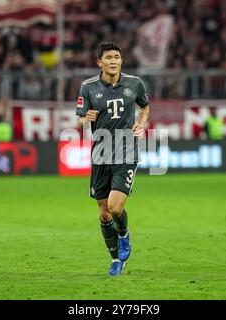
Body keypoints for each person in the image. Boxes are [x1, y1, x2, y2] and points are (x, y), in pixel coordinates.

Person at [75, 42, 150, 276]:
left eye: (117, 56)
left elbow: (145, 107)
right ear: (100, 62)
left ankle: (124, 234)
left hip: (126, 152)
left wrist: (141, 123)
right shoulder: (88, 87)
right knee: (103, 212)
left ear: (121, 60)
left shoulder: (135, 83)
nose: (113, 61)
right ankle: (116, 259)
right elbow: (79, 120)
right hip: (100, 154)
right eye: (108, 57)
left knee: (115, 208)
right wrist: (85, 119)